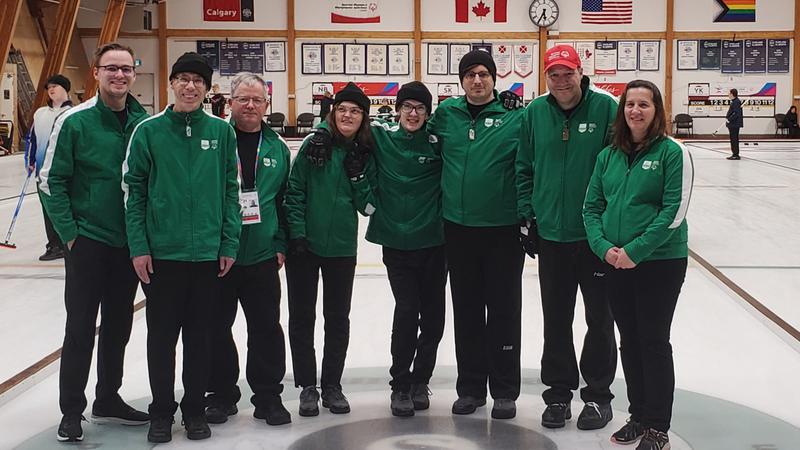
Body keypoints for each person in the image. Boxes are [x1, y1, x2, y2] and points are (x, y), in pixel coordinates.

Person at [123, 52, 241, 443]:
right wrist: (139, 246)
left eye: (198, 81)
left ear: (207, 89)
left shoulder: (222, 133)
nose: (190, 86)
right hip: (163, 256)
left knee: (200, 338)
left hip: (207, 255)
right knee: (161, 339)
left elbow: (232, 190)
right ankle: (161, 411)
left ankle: (194, 410)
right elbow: (134, 191)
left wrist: (228, 242)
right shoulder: (148, 130)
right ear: (172, 83)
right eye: (183, 79)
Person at [39, 43, 149, 443]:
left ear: (134, 74)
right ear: (96, 72)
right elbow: (50, 180)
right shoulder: (75, 121)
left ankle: (107, 398)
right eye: (111, 68)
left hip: (128, 243)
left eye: (126, 69)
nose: (119, 75)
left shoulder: (143, 122)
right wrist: (71, 235)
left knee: (119, 325)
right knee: (81, 327)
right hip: (88, 242)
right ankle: (72, 410)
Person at [583, 79, 693, 450]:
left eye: (644, 104)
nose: (635, 111)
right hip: (616, 261)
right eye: (630, 104)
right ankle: (639, 416)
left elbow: (673, 211)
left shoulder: (672, 152)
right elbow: (592, 207)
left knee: (653, 340)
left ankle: (658, 427)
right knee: (629, 342)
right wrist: (604, 249)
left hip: (660, 262)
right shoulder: (608, 156)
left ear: (656, 110)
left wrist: (636, 251)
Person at [516, 44, 618, 430]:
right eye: (553, 74)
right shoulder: (534, 113)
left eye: (567, 73)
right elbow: (524, 166)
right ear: (546, 77)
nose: (561, 81)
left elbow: (619, 166)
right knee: (556, 319)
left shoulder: (606, 108)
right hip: (552, 237)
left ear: (580, 72)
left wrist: (611, 223)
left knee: (600, 319)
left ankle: (597, 396)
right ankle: (558, 394)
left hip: (595, 237)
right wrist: (527, 215)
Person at [426, 50, 525, 420]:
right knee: (466, 311)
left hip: (502, 230)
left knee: (503, 311)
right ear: (461, 81)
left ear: (494, 78)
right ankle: (470, 389)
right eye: (470, 74)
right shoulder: (446, 115)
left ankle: (504, 391)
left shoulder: (516, 115)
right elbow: (410, 133)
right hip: (458, 229)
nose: (477, 80)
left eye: (484, 73)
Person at [204, 72, 292, 426]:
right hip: (218, 253)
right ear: (230, 102)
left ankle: (268, 396)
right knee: (215, 325)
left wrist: (281, 241)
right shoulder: (214, 139)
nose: (250, 105)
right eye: (243, 99)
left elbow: (285, 199)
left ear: (266, 105)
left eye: (257, 100)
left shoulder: (277, 147)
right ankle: (220, 394)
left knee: (266, 327)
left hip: (261, 253)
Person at [285, 82, 374, 418]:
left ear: (363, 117)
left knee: (337, 319)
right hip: (304, 247)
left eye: (355, 111)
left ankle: (332, 385)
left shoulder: (365, 153)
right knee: (302, 317)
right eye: (342, 109)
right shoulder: (314, 144)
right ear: (333, 113)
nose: (347, 115)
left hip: (340, 248)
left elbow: (368, 207)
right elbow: (294, 191)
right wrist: (297, 234)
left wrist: (358, 177)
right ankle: (307, 385)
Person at [366, 82, 447, 417]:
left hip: (434, 243)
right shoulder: (381, 137)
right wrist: (323, 135)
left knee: (434, 318)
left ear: (428, 113)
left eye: (420, 108)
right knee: (407, 311)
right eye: (408, 107)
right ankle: (400, 383)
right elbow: (344, 122)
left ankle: (420, 380)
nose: (413, 114)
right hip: (397, 243)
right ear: (397, 109)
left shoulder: (440, 142)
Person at [25, 74, 73, 261]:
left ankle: (68, 243)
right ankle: (54, 245)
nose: (51, 89)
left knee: (65, 209)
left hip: (64, 173)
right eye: (49, 87)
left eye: (56, 86)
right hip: (42, 172)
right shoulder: (40, 113)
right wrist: (30, 160)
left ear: (65, 88)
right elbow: (32, 139)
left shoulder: (73, 113)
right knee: (48, 211)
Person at [725, 88, 743, 160]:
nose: (728, 95)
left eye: (729, 93)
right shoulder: (734, 101)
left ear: (732, 94)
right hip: (733, 124)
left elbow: (736, 113)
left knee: (734, 139)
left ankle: (735, 154)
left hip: (734, 124)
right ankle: (734, 153)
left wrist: (729, 119)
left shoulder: (736, 102)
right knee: (733, 139)